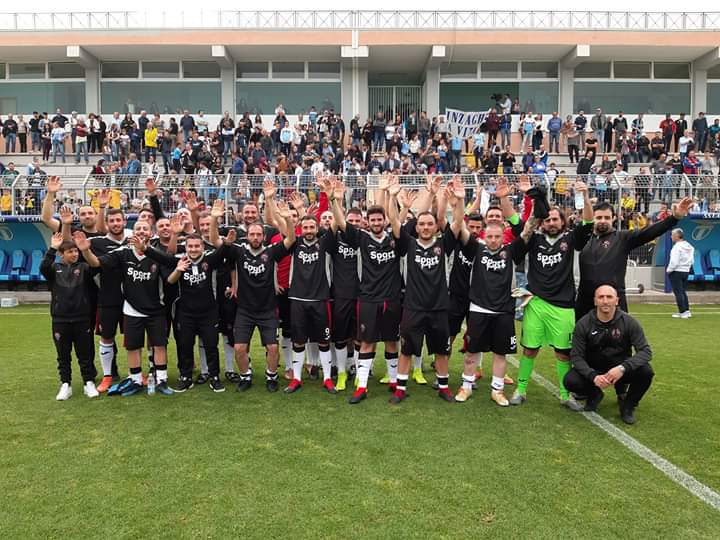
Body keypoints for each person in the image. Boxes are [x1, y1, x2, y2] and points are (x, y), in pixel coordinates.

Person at [510, 181, 594, 410]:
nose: (551, 222)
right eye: (547, 220)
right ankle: (521, 388)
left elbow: (588, 222)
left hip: (564, 306)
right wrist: (536, 210)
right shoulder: (534, 239)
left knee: (563, 353)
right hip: (536, 303)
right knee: (529, 349)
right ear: (542, 223)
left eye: (555, 219)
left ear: (562, 221)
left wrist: (585, 196)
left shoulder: (570, 239)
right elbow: (517, 247)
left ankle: (565, 394)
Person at [385, 176, 464, 404]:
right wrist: (391, 196)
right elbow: (394, 221)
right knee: (407, 350)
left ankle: (443, 387)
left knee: (441, 350)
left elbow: (458, 224)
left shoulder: (443, 244)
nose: (426, 227)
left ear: (436, 226)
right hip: (413, 307)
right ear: (416, 227)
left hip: (439, 307)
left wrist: (457, 201)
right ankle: (400, 388)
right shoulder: (408, 244)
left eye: (430, 224)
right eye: (422, 224)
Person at [75, 221, 174, 397]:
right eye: (138, 229)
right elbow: (96, 263)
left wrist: (149, 249)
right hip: (131, 309)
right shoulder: (123, 253)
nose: (142, 231)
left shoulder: (158, 254)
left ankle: (161, 380)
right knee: (133, 347)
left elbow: (171, 268)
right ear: (132, 233)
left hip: (156, 308)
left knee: (159, 345)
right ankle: (135, 380)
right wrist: (85, 250)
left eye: (145, 228)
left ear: (151, 233)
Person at [575, 197, 692, 320]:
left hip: (614, 302)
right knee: (581, 337)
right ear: (592, 218)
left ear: (614, 218)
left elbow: (649, 232)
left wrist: (674, 218)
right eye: (599, 218)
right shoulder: (583, 240)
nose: (603, 221)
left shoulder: (622, 238)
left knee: (617, 338)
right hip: (585, 303)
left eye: (607, 218)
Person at [564, 284, 654, 424]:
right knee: (570, 380)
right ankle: (594, 394)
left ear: (617, 300)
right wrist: (593, 376)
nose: (605, 301)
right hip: (595, 371)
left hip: (620, 371)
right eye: (601, 297)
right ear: (595, 301)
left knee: (646, 372)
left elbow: (645, 351)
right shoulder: (583, 324)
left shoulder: (629, 322)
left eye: (609, 297)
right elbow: (576, 356)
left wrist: (622, 368)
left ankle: (628, 407)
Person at [41, 233, 99, 401]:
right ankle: (65, 384)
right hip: (60, 320)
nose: (74, 254)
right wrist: (52, 248)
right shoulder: (54, 269)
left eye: (76, 251)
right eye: (70, 251)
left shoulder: (84, 268)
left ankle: (89, 382)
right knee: (63, 355)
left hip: (82, 319)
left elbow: (97, 267)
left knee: (85, 354)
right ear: (62, 254)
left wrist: (85, 250)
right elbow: (43, 267)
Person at [667, 228, 695, 319]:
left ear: (676, 236)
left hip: (677, 271)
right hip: (685, 271)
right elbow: (692, 261)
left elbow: (674, 262)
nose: (671, 237)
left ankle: (682, 312)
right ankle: (686, 311)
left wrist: (669, 270)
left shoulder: (677, 247)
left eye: (672, 235)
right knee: (683, 291)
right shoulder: (689, 246)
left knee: (678, 292)